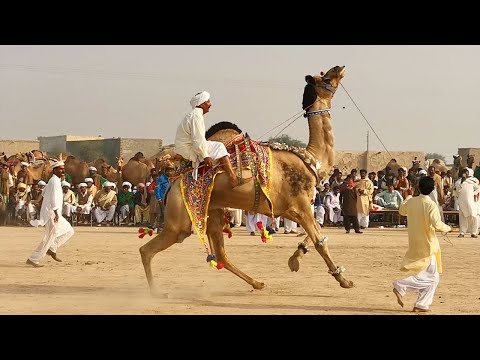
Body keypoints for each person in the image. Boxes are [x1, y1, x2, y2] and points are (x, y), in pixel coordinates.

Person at [392, 176, 452, 313]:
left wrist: (408, 197)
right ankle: (401, 285)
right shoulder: (431, 204)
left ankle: (421, 304)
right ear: (433, 189)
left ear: (418, 187)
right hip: (428, 244)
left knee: (433, 277)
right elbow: (437, 224)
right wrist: (449, 228)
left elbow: (402, 211)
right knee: (433, 278)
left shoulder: (412, 201)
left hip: (415, 242)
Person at [174, 91, 238, 188]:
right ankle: (233, 177)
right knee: (219, 146)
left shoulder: (195, 115)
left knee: (213, 145)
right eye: (208, 101)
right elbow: (198, 140)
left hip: (188, 146)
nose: (210, 104)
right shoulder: (196, 116)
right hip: (189, 148)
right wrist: (205, 156)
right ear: (202, 103)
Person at [26, 161, 74, 267]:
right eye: (60, 169)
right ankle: (34, 259)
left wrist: (38, 201)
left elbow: (44, 192)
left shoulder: (54, 181)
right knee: (49, 237)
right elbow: (53, 197)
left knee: (69, 230)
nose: (63, 170)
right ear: (55, 170)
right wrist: (56, 212)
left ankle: (52, 248)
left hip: (55, 212)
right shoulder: (54, 181)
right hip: (52, 213)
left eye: (63, 168)